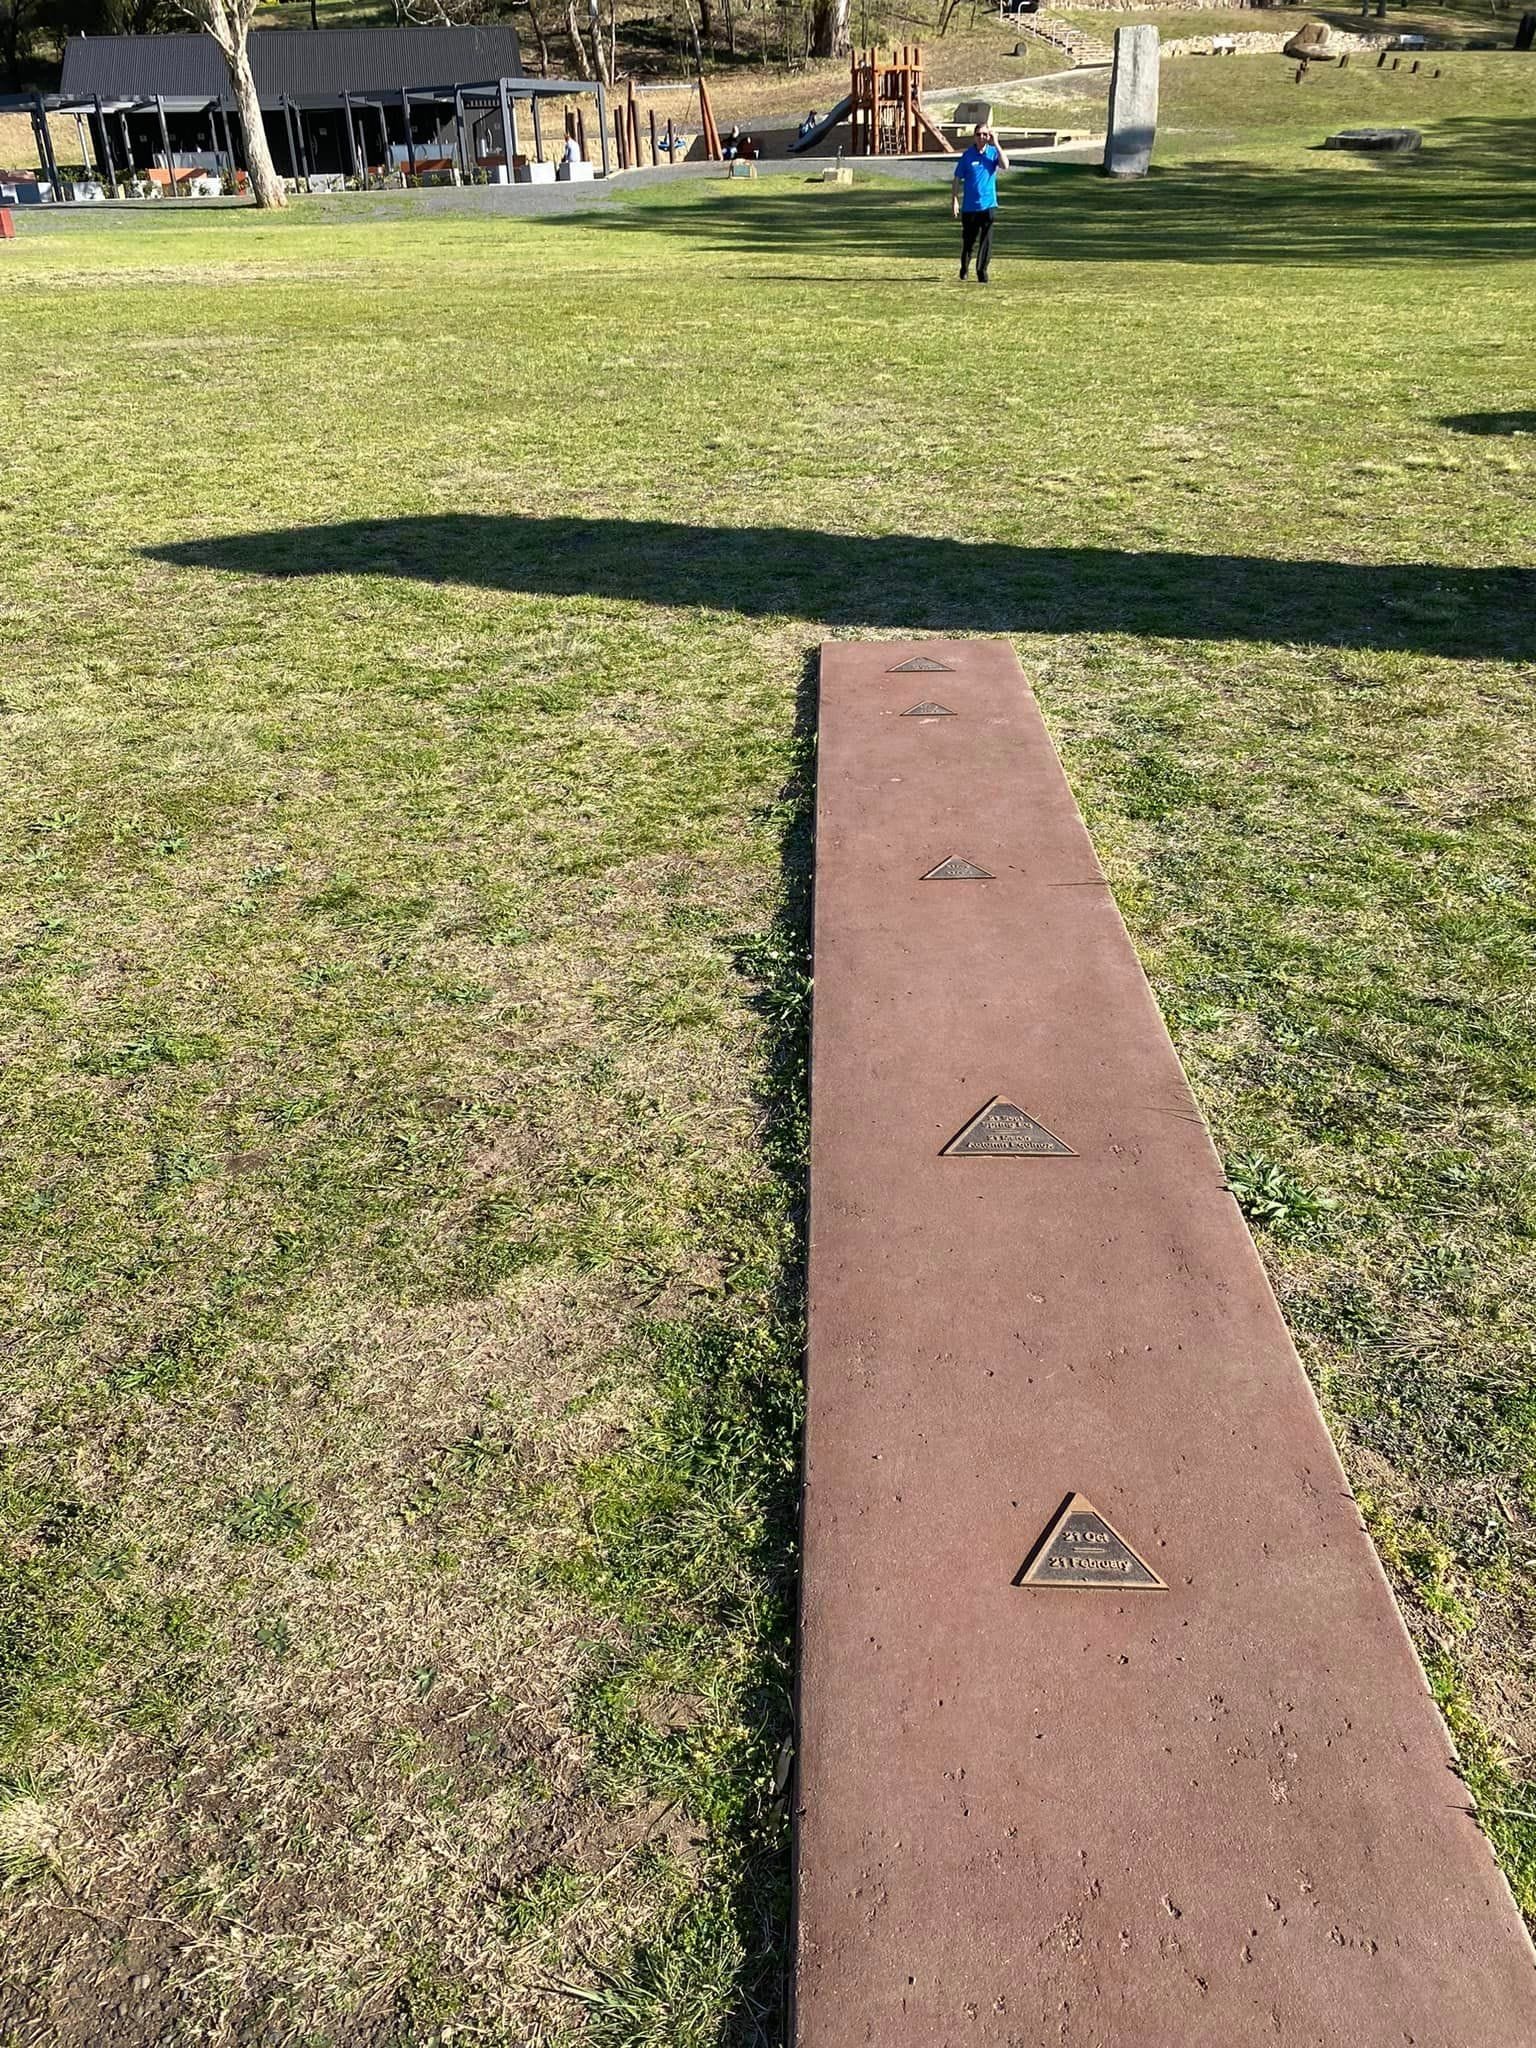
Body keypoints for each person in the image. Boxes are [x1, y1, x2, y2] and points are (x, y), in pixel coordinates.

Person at [951, 121, 1009, 284]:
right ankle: (964, 266)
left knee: (986, 240)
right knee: (969, 241)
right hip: (970, 207)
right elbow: (957, 178)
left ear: (989, 136)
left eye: (985, 134)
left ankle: (981, 271)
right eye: (979, 134)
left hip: (989, 205)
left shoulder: (992, 153)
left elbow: (1005, 165)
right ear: (974, 136)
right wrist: (955, 199)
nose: (982, 137)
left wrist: (996, 143)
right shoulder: (967, 155)